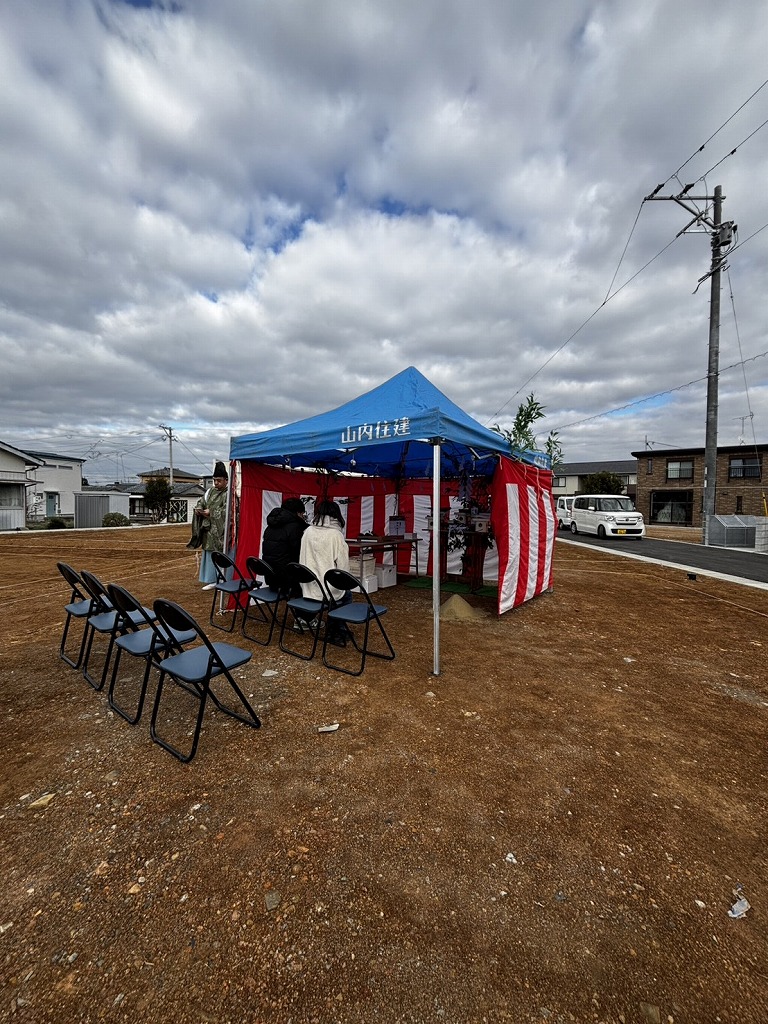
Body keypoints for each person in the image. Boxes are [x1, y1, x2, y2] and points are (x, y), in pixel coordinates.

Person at [299, 499, 352, 644]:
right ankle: (336, 631)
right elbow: (343, 570)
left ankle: (338, 630)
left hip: (308, 586)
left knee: (338, 594)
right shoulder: (336, 535)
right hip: (328, 589)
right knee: (345, 595)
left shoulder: (308, 531)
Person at [260, 497, 308, 596]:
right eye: (303, 514)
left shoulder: (271, 524)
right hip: (286, 579)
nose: (303, 516)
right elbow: (299, 553)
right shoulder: (295, 527)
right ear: (298, 513)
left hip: (270, 576)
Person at [193, 461, 229, 589]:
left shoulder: (229, 494)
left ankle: (224, 579)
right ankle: (212, 579)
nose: (216, 483)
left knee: (222, 554)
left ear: (226, 480)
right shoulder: (209, 492)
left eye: (219, 480)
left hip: (222, 532)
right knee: (209, 554)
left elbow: (229, 511)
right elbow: (201, 502)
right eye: (214, 481)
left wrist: (211, 512)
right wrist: (199, 509)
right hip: (209, 529)